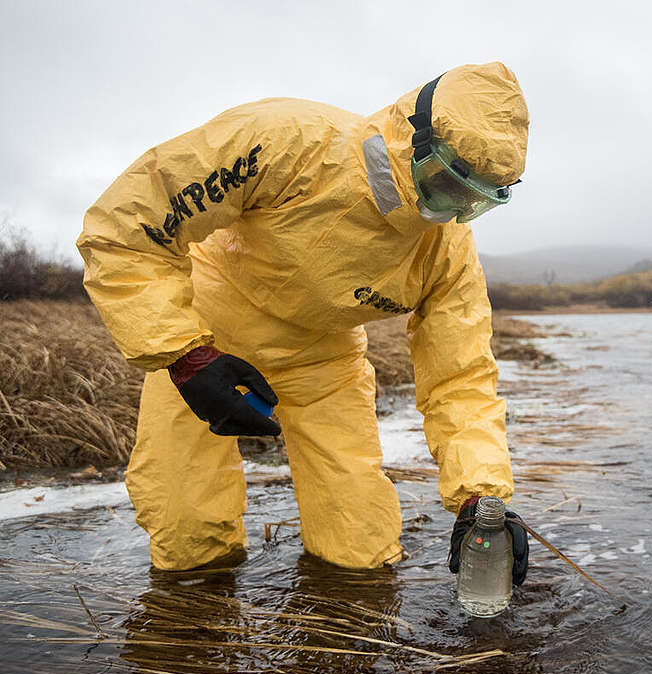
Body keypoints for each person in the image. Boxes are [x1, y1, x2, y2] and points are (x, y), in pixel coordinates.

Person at [77, 62, 529, 585]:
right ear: (413, 138)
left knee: (359, 547)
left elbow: (460, 377)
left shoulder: (446, 253)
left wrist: (480, 496)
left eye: (475, 201)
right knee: (187, 531)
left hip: (324, 362)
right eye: (446, 184)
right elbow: (127, 227)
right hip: (208, 335)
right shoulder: (285, 141)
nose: (450, 210)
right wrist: (186, 357)